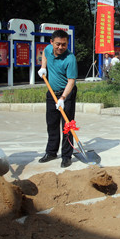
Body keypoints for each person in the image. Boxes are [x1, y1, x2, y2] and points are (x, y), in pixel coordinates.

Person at [37, 29, 78, 168]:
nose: (60, 47)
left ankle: (66, 156)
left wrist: (63, 98)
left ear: (67, 44)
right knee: (52, 123)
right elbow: (44, 53)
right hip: (51, 92)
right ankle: (51, 152)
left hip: (67, 93)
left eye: (64, 44)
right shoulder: (48, 49)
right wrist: (43, 67)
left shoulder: (70, 59)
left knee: (67, 126)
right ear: (52, 42)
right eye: (58, 44)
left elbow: (71, 81)